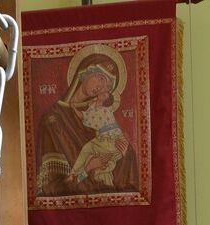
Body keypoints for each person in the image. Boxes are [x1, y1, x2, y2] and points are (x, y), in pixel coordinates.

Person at [34, 46, 138, 197]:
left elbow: (124, 177)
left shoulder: (97, 118)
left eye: (108, 87)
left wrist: (124, 154)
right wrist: (88, 168)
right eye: (101, 78)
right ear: (85, 71)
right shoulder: (53, 118)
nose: (101, 87)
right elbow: (51, 187)